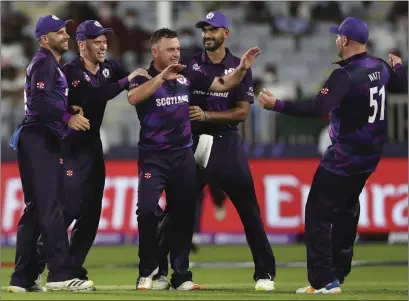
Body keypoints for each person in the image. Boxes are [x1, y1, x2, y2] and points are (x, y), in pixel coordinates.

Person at [258, 17, 407, 294]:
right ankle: (338, 273)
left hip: (343, 158)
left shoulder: (345, 75)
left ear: (346, 41)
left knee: (317, 215)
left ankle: (325, 280)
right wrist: (398, 65)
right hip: (370, 159)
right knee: (347, 212)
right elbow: (400, 83)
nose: (336, 40)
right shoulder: (380, 66)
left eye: (338, 36)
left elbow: (318, 106)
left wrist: (276, 104)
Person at [127, 27, 260, 290]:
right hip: (154, 157)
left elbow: (222, 84)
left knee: (183, 215)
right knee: (146, 212)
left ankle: (181, 276)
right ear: (155, 52)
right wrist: (162, 78)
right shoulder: (141, 76)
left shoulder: (188, 73)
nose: (177, 53)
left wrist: (242, 68)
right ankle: (148, 270)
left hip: (183, 155)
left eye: (178, 48)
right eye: (171, 49)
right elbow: (134, 98)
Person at [35, 20, 149, 288]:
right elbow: (95, 96)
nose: (103, 45)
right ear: (82, 44)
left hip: (92, 145)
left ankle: (71, 269)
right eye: (97, 41)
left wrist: (151, 81)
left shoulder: (110, 67)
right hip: (69, 145)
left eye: (105, 40)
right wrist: (126, 80)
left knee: (92, 213)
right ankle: (41, 262)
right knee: (70, 207)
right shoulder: (71, 70)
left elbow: (134, 90)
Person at [7, 14, 95, 293]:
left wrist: (68, 111)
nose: (66, 35)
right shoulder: (44, 61)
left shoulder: (48, 64)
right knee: (50, 206)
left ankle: (22, 278)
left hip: (36, 138)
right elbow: (38, 101)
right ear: (45, 39)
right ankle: (59, 274)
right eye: (60, 32)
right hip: (40, 138)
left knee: (35, 209)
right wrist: (66, 118)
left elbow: (44, 101)